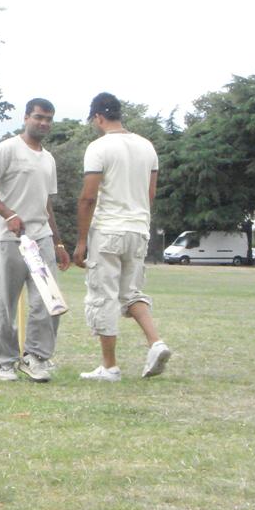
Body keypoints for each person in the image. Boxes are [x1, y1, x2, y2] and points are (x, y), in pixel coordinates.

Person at [72, 92, 171, 381]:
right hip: (139, 229)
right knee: (131, 294)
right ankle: (156, 342)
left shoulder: (99, 147)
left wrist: (81, 242)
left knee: (103, 296)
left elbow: (88, 197)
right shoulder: (147, 146)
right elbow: (150, 194)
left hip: (108, 229)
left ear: (98, 118)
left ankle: (109, 366)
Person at [0, 98, 71, 382]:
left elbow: (46, 204)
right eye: (39, 117)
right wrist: (8, 214)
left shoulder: (48, 158)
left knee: (49, 299)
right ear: (26, 117)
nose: (43, 123)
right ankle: (4, 361)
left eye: (48, 119)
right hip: (8, 238)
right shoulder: (7, 149)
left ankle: (36, 357)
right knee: (5, 302)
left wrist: (58, 242)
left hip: (40, 237)